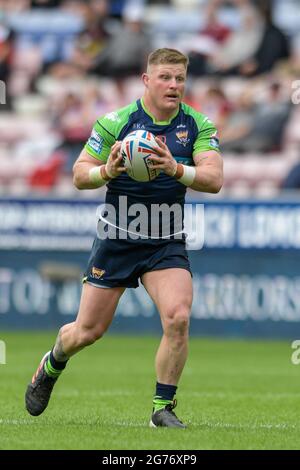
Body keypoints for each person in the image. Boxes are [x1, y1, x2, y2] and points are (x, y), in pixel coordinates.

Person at [25, 48, 223, 428]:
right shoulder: (116, 122)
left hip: (165, 237)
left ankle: (162, 409)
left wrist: (175, 167)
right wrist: (107, 170)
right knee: (87, 332)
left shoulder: (197, 125)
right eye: (165, 77)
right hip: (118, 236)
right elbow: (79, 173)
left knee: (178, 317)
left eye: (180, 79)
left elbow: (214, 179)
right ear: (147, 80)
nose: (174, 85)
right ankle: (51, 364)